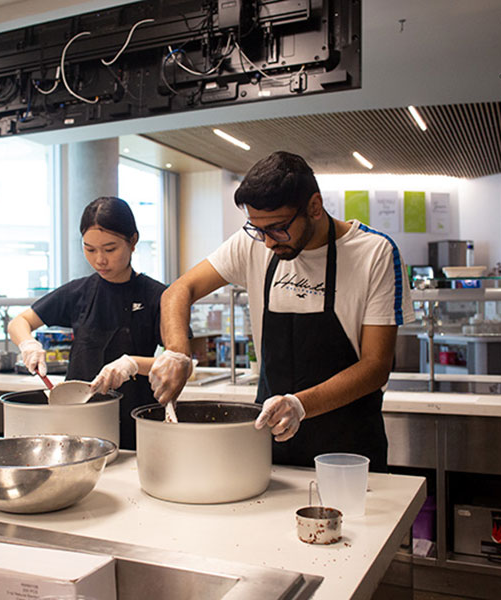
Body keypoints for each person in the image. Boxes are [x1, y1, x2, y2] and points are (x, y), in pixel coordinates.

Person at [149, 151, 414, 470]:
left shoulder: (374, 253)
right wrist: (177, 353)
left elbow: (376, 366)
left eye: (278, 228)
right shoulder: (252, 244)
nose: (267, 242)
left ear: (314, 207)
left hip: (348, 453)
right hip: (270, 445)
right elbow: (178, 290)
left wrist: (300, 404)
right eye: (257, 229)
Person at [8, 196, 166, 450]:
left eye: (110, 249)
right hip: (77, 422)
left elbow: (182, 363)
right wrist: (28, 344)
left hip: (136, 424)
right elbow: (20, 322)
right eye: (90, 249)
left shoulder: (157, 296)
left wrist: (133, 364)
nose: (100, 260)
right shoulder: (78, 292)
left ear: (133, 241)